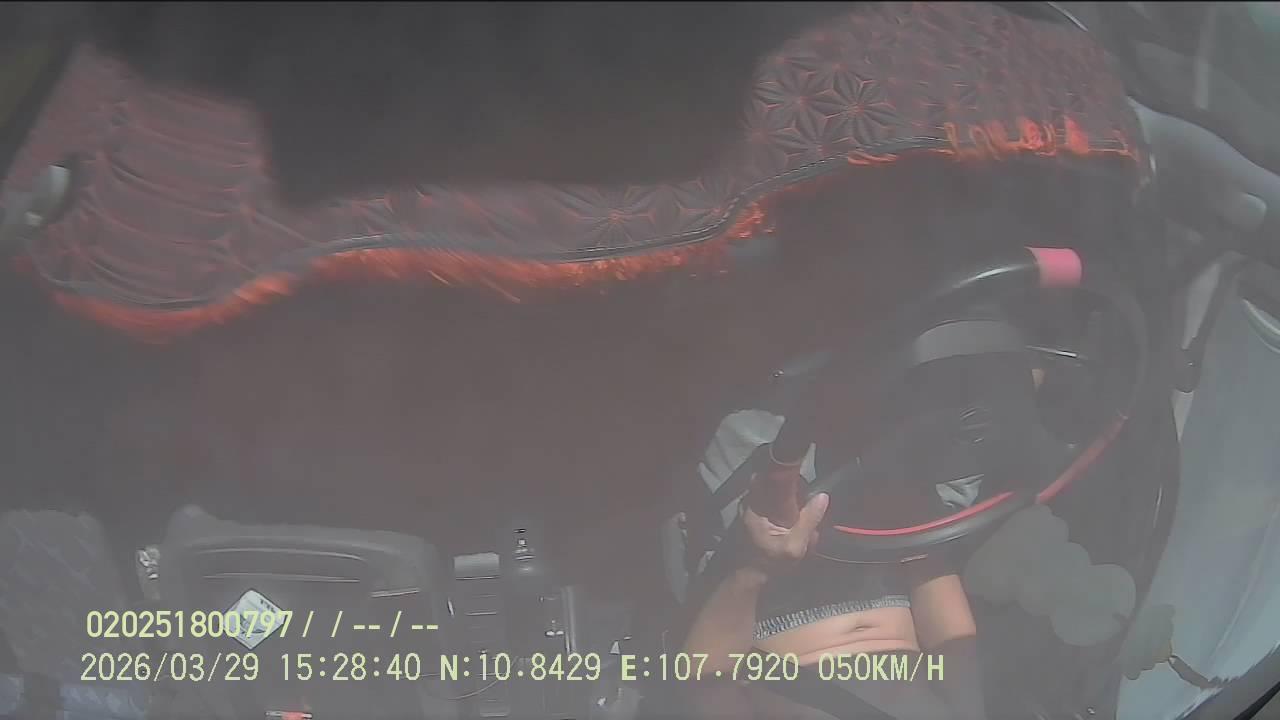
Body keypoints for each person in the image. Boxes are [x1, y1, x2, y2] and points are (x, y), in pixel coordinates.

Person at [677, 408, 989, 720]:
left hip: (765, 597)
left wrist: (756, 568)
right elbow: (953, 645)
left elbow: (705, 686)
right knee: (964, 417)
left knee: (752, 424)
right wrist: (910, 513)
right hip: (891, 564)